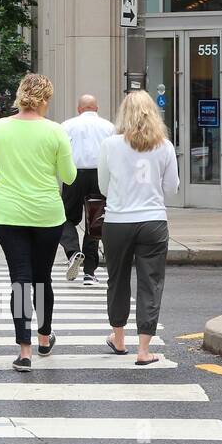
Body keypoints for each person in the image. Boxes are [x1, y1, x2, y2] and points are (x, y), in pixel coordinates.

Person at [0, 74, 77, 372]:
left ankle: (25, 350)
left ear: (20, 95)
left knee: (20, 280)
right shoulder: (56, 132)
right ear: (45, 99)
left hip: (8, 214)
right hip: (47, 214)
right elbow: (70, 176)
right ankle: (44, 337)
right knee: (42, 278)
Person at [98, 91, 180, 365]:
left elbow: (102, 186)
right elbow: (171, 187)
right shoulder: (165, 146)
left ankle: (118, 337)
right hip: (153, 221)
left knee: (117, 279)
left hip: (118, 221)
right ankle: (144, 350)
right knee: (151, 282)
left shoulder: (110, 145)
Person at [59, 94, 116, 285]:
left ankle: (73, 252)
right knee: (94, 222)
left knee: (66, 217)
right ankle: (89, 273)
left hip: (73, 174)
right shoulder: (109, 127)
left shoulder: (66, 125)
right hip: (99, 175)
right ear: (96, 109)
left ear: (79, 109)